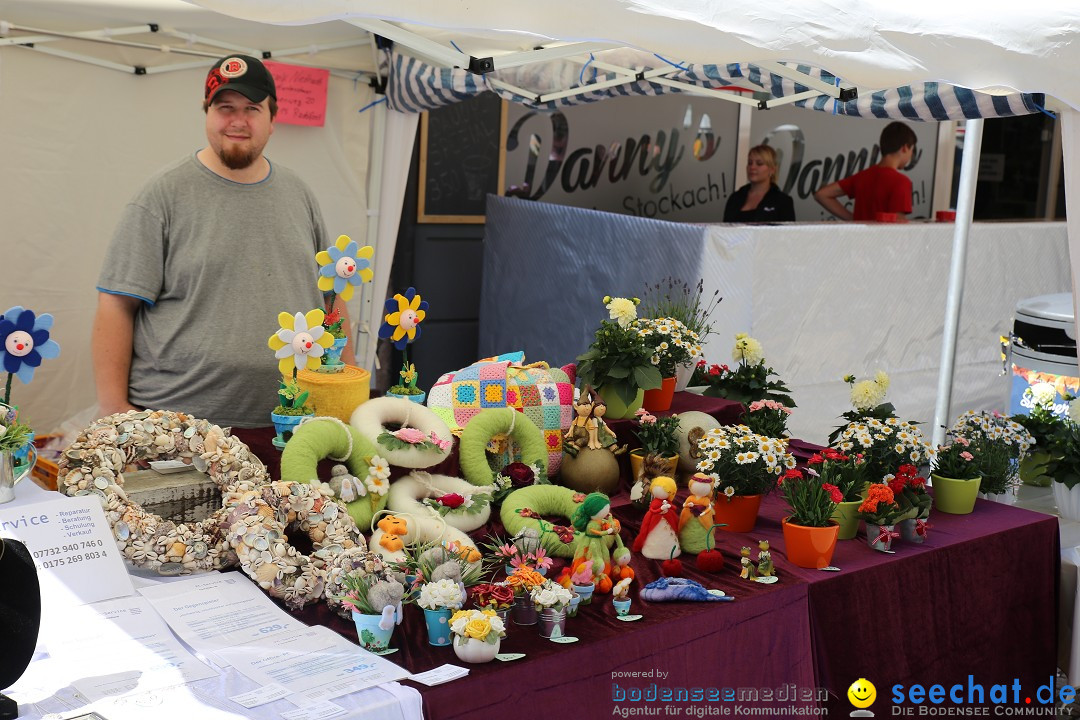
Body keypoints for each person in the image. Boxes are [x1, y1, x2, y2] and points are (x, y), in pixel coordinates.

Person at [92, 55, 354, 427]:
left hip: (293, 419)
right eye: (224, 107)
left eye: (252, 108)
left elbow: (332, 295)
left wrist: (347, 383)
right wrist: (113, 406)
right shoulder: (161, 196)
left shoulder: (299, 194)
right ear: (206, 114)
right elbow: (116, 304)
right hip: (179, 427)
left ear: (272, 120)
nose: (238, 120)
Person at [814, 121, 917, 221]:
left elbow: (822, 194)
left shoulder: (862, 177)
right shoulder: (901, 182)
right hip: (883, 238)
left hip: (859, 238)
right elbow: (899, 225)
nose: (911, 155)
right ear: (904, 148)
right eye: (912, 150)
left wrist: (853, 219)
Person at [723, 145, 796, 223]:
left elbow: (789, 233)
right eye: (750, 163)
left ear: (772, 170)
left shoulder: (783, 201)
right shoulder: (735, 198)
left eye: (759, 163)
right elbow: (724, 231)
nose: (752, 167)